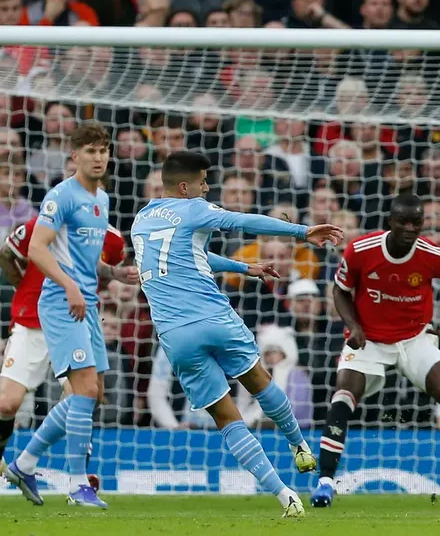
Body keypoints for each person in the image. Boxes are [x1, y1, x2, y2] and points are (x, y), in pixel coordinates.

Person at [130, 151, 343, 518]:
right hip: (213, 317)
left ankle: (283, 495)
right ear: (184, 187)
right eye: (202, 182)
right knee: (260, 381)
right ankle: (299, 445)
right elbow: (243, 219)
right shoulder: (193, 209)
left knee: (227, 418)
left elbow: (194, 257)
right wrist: (302, 231)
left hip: (175, 336)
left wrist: (245, 267)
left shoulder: (140, 222)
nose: (207, 187)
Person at [311, 193, 440, 509]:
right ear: (390, 222)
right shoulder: (361, 250)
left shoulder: (432, 254)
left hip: (415, 338)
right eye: (403, 222)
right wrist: (353, 325)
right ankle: (325, 483)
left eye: (416, 222)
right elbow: (340, 290)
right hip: (370, 341)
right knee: (342, 397)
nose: (410, 228)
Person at [3, 123, 139, 508]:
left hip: (86, 303)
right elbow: (37, 249)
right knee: (85, 391)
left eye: (104, 150)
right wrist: (69, 285)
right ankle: (78, 484)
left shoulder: (103, 199)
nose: (99, 157)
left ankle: (25, 462)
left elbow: (85, 257)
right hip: (62, 302)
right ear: (75, 155)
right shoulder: (60, 196)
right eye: (91, 151)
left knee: (89, 395)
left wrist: (113, 273)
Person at [0, 210, 126, 502]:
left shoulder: (113, 239)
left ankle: (75, 480)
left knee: (84, 396)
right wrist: (25, 288)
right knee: (7, 404)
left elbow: (102, 273)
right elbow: (6, 254)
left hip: (74, 321)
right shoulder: (43, 224)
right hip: (31, 321)